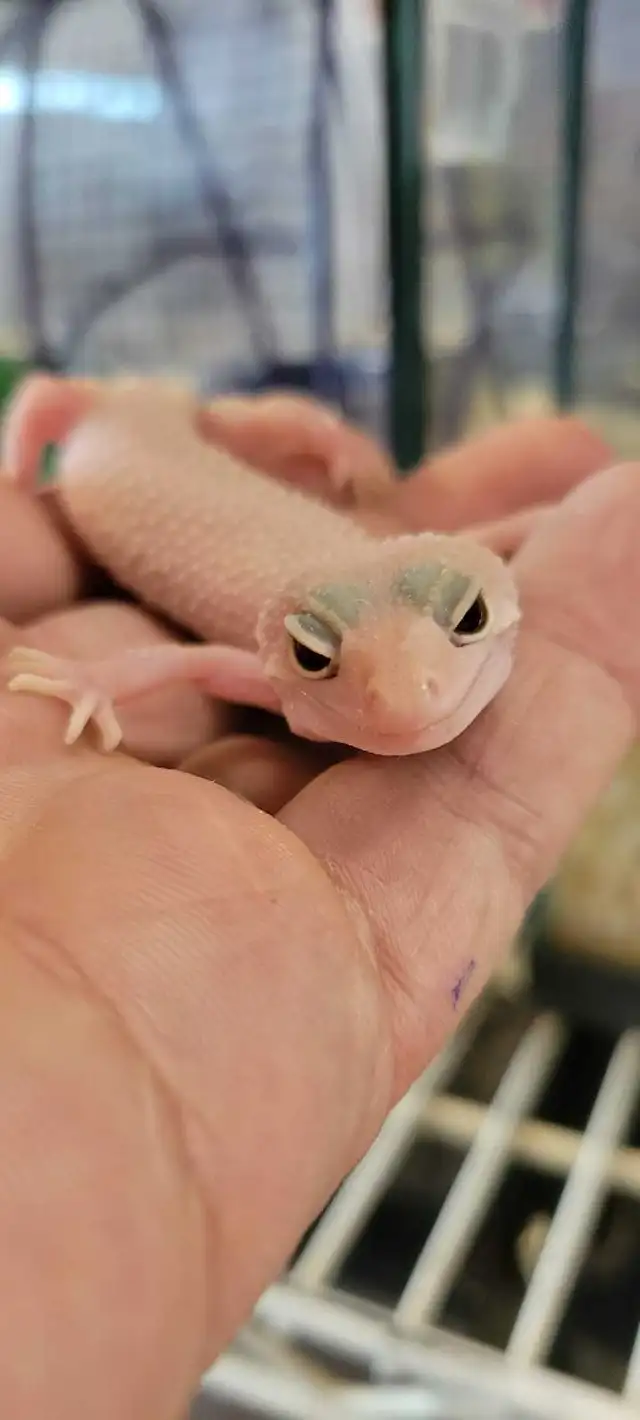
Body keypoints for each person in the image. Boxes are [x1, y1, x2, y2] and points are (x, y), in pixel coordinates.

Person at [0, 406, 637, 1418]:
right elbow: (196, 665)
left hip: (161, 448)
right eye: (319, 660)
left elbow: (496, 551)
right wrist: (88, 676)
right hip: (105, 443)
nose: (406, 699)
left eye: (462, 626)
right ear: (291, 656)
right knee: (78, 410)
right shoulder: (271, 652)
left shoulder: (436, 579)